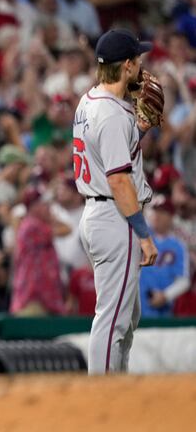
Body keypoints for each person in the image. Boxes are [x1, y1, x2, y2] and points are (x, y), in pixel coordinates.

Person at [72, 29, 157, 375]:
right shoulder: (109, 114)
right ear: (126, 66)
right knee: (112, 319)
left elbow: (112, 150)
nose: (142, 67)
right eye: (137, 60)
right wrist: (144, 234)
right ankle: (102, 399)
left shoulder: (91, 100)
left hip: (101, 212)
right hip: (115, 216)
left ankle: (115, 392)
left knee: (126, 315)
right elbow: (119, 179)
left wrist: (139, 130)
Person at [10, 187, 66, 316]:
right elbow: (66, 229)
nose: (48, 208)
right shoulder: (32, 225)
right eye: (44, 204)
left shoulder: (31, 223)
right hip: (33, 298)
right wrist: (52, 219)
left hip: (41, 296)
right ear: (33, 206)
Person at [139, 196, 190, 318]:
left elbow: (183, 280)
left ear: (171, 216)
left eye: (162, 212)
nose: (157, 215)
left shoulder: (177, 246)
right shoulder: (141, 236)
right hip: (135, 304)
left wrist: (166, 295)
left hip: (161, 309)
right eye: (155, 211)